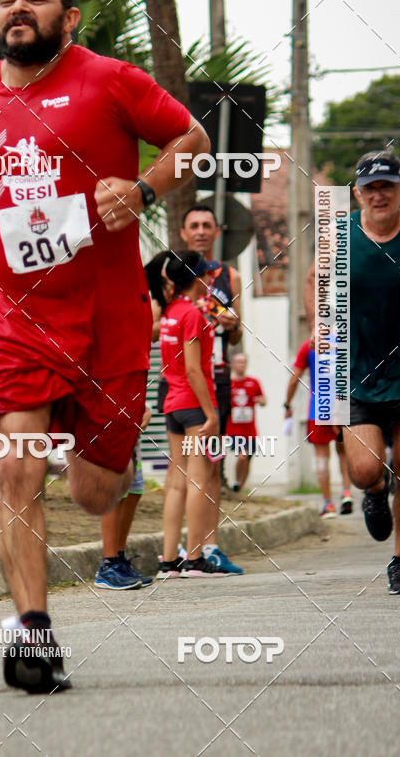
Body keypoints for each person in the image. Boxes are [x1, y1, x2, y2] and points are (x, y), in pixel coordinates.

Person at [0, 0, 209, 691]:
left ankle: (92, 453)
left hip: (108, 319)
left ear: (70, 17)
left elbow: (193, 140)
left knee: (94, 492)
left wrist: (143, 188)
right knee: (15, 465)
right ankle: (34, 633)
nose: (18, 7)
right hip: (15, 318)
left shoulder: (110, 81)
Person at [305, 152, 400, 594]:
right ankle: (375, 491)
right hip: (356, 371)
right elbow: (315, 280)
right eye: (370, 188)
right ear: (357, 194)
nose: (379, 194)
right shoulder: (341, 235)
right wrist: (318, 322)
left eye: (387, 186)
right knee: (362, 470)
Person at [157, 250, 230, 578]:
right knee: (198, 480)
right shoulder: (191, 315)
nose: (209, 280)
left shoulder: (171, 312)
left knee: (176, 482)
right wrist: (210, 414)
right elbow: (193, 369)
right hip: (193, 406)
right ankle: (195, 557)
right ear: (196, 279)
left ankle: (169, 560)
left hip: (173, 404)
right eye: (206, 274)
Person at [179, 205, 243, 573]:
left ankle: (211, 545)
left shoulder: (229, 276)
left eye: (207, 225)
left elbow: (236, 336)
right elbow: (153, 327)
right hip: (182, 379)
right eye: (194, 225)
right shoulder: (172, 271)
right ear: (184, 233)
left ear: (217, 232)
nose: (201, 231)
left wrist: (232, 324)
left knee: (214, 463)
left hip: (217, 376)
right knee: (182, 466)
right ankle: (181, 549)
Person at [284, 340, 352, 517]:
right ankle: (346, 492)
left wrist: (287, 404)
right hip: (342, 407)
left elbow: (294, 380)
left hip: (318, 409)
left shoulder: (308, 346)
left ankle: (328, 505)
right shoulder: (342, 342)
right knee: (343, 452)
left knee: (321, 458)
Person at [94, 406, 153, 590]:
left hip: (130, 430)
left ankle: (119, 560)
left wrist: (144, 410)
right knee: (115, 493)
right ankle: (108, 565)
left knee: (134, 491)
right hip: (109, 424)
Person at [225, 353, 266, 493]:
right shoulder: (228, 384)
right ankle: (237, 481)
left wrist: (261, 401)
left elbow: (263, 400)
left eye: (244, 362)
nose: (241, 365)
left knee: (248, 458)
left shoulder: (253, 382)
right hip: (234, 428)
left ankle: (240, 487)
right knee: (243, 455)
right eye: (239, 362)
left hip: (250, 428)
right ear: (233, 364)